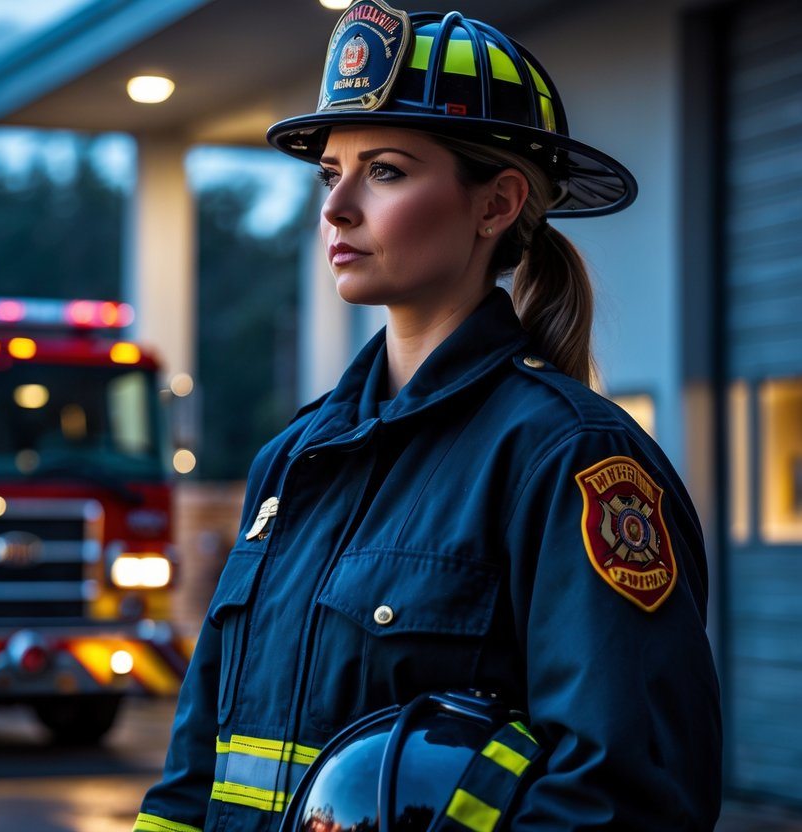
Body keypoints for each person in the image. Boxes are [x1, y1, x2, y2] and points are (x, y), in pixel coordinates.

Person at [134, 4, 722, 831]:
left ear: (495, 204)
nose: (335, 207)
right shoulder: (290, 461)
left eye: (383, 170)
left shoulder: (569, 459)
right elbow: (195, 772)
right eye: (327, 172)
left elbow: (623, 798)